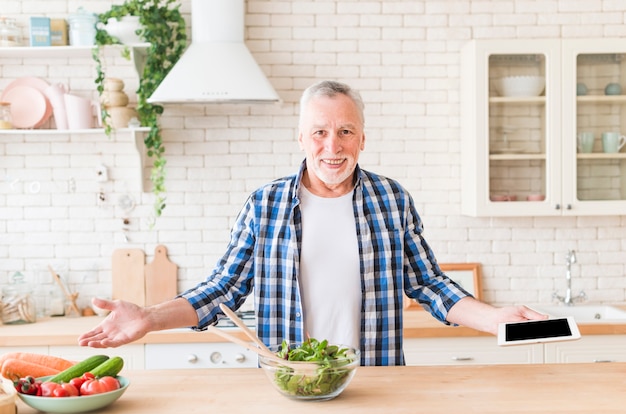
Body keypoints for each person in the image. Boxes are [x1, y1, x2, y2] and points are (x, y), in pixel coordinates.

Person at [79, 80, 545, 366]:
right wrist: (150, 317)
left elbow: (428, 284)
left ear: (362, 138)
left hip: (378, 382)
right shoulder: (265, 205)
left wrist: (496, 318)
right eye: (320, 132)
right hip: (291, 382)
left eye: (345, 132)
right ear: (302, 137)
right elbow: (223, 289)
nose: (332, 146)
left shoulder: (391, 199)